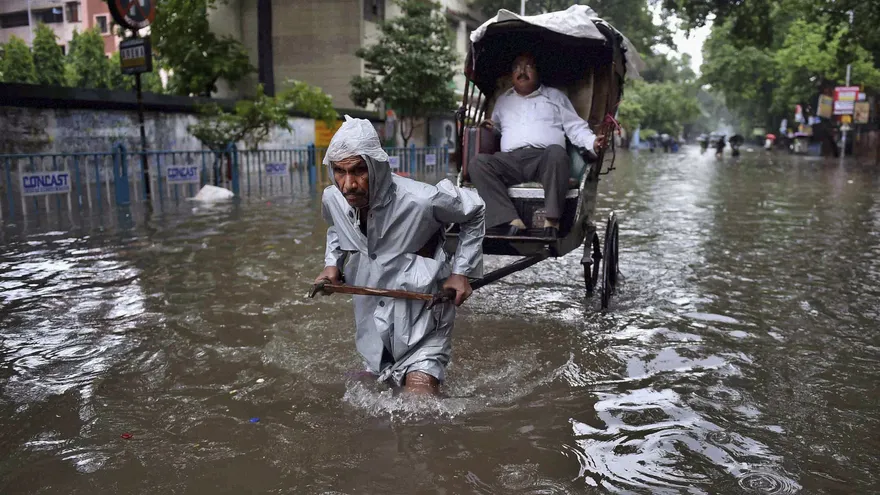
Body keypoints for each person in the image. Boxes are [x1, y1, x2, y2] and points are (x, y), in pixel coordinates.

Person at [314, 116, 486, 396]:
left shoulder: (421, 200)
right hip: (371, 317)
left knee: (418, 406)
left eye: (358, 170)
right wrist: (333, 264)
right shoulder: (333, 198)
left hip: (423, 317)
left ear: (377, 167)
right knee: (374, 401)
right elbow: (336, 227)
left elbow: (475, 209)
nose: (349, 185)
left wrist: (461, 272)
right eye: (340, 172)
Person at [469, 53, 606, 238]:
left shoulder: (555, 97)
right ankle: (510, 219)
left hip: (545, 159)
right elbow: (498, 130)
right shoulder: (503, 101)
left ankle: (552, 221)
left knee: (557, 152)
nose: (522, 71)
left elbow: (576, 128)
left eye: (528, 67)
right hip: (510, 161)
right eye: (517, 67)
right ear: (511, 74)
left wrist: (592, 142)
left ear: (538, 72)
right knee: (478, 163)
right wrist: (491, 128)